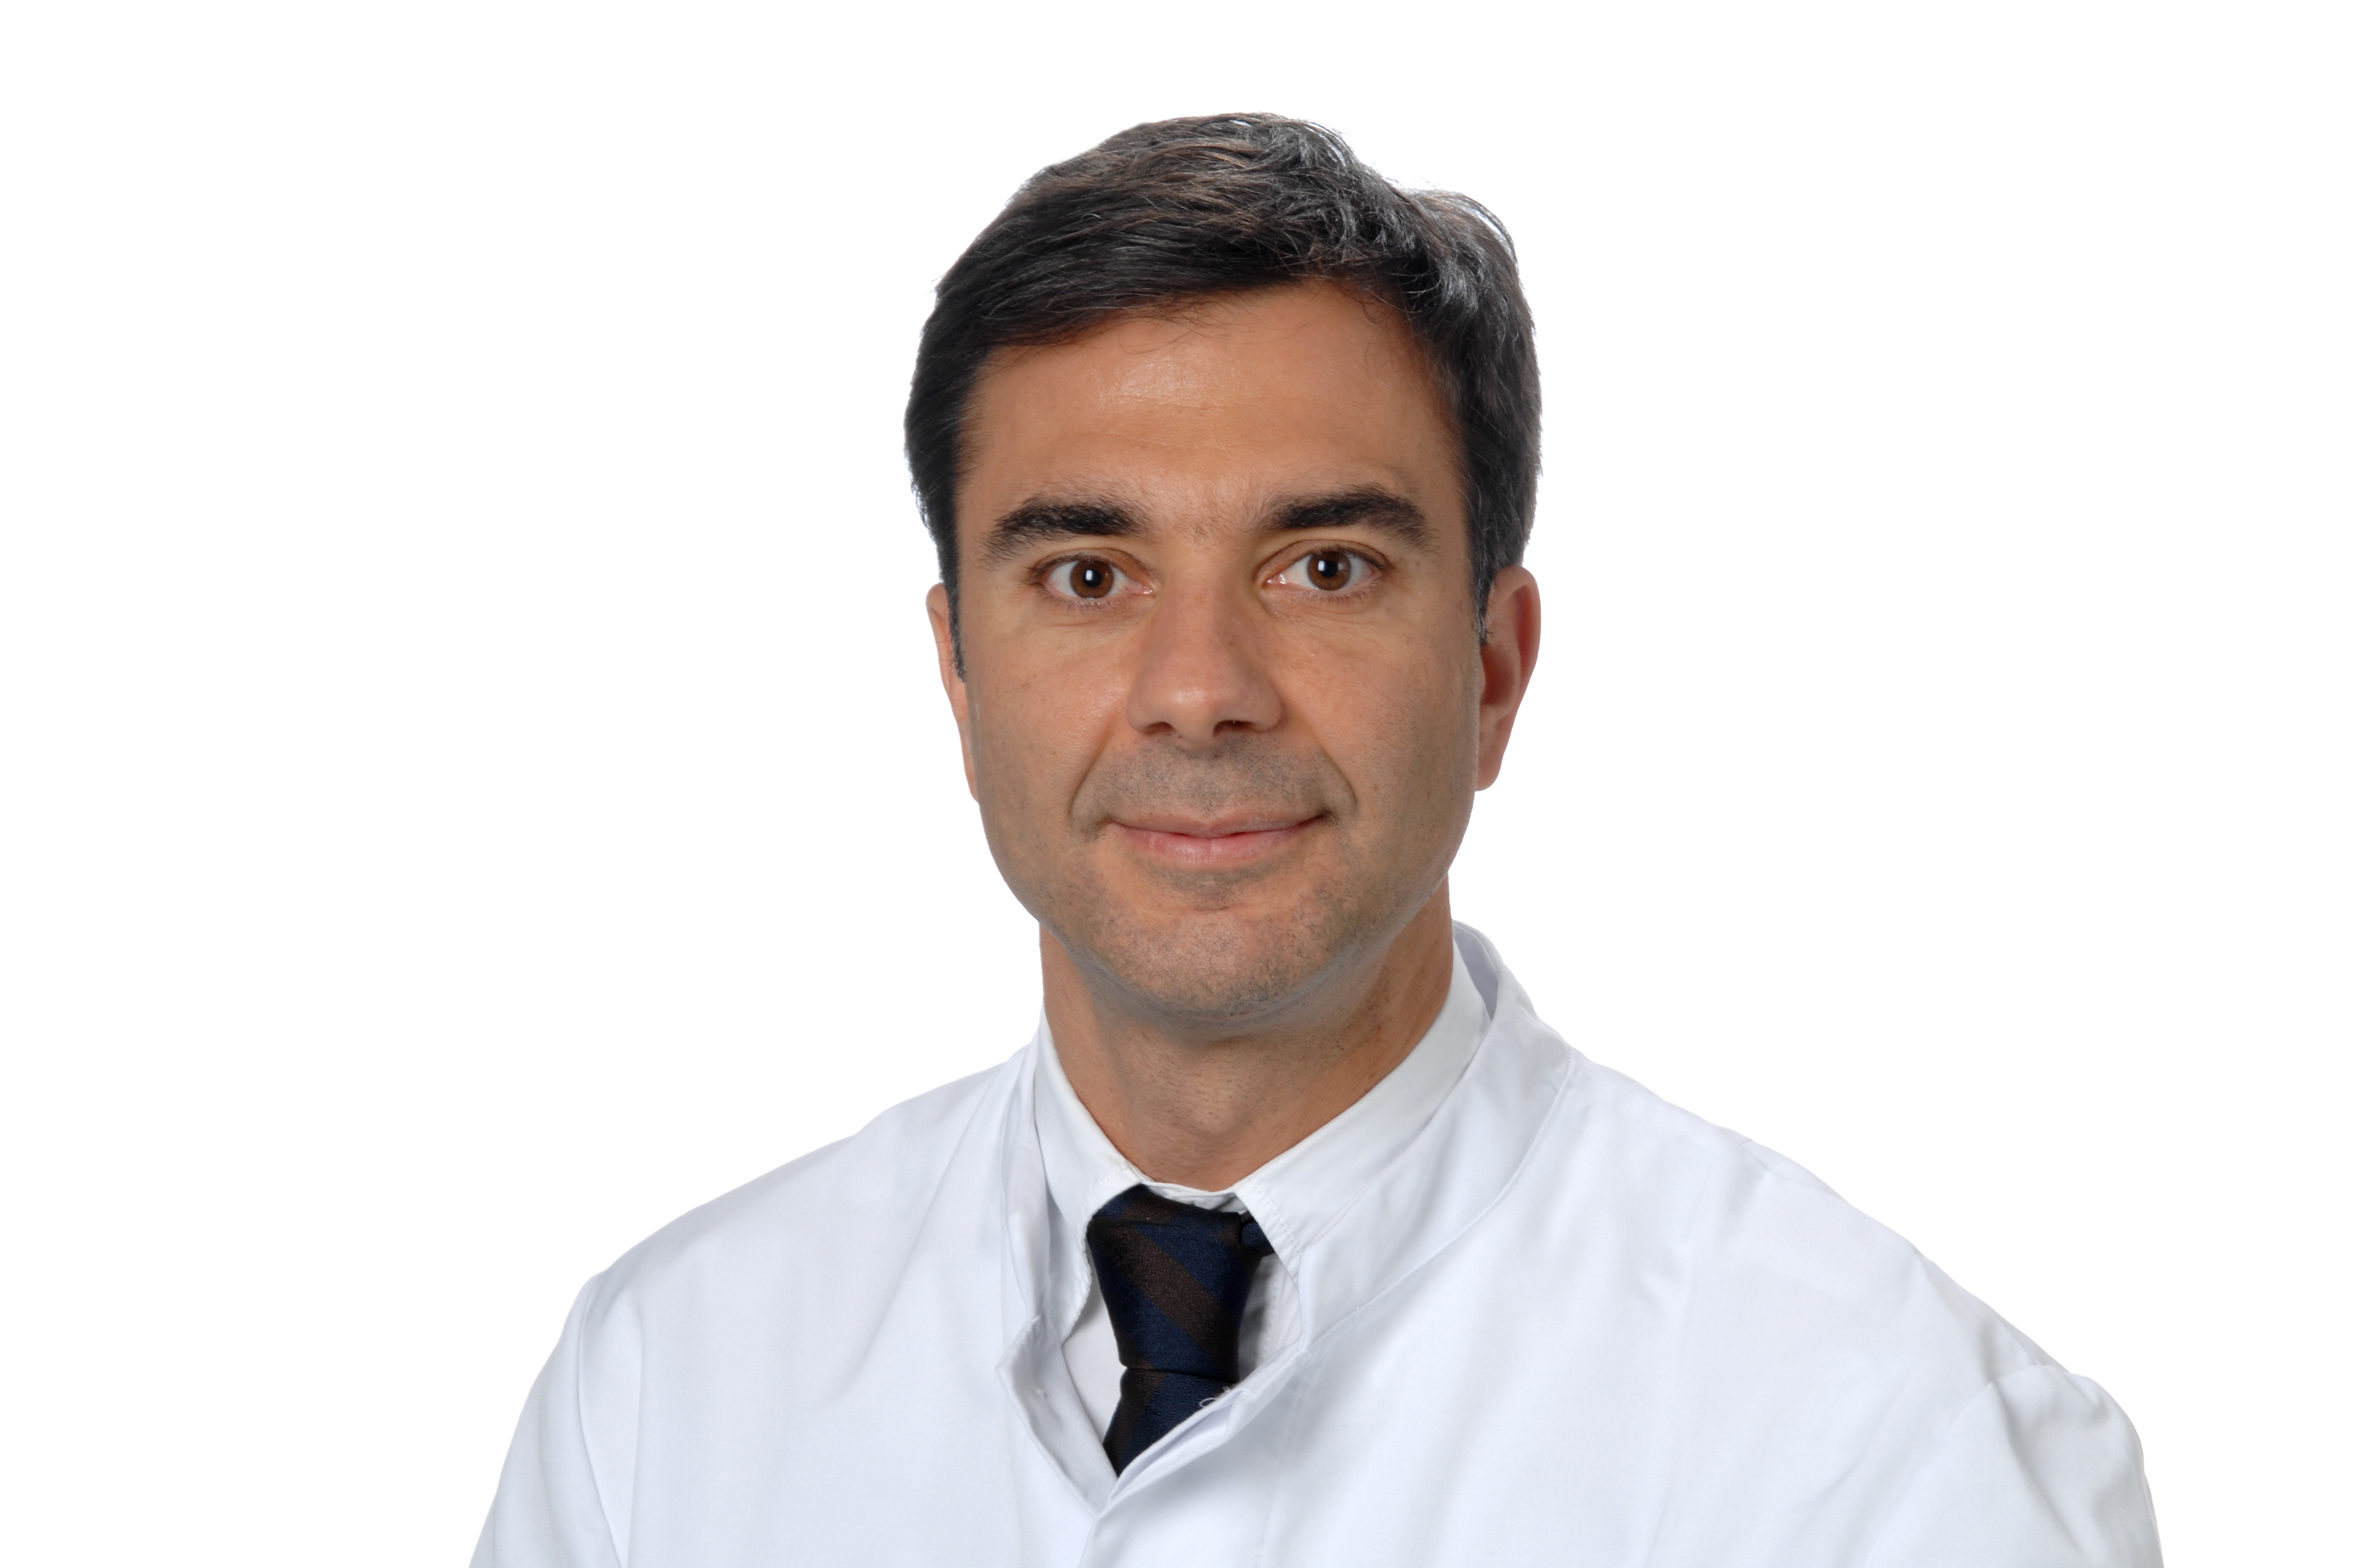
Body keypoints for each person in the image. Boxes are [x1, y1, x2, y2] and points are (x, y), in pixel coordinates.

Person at [472, 113, 2162, 1567]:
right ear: (960, 676)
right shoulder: (665, 1387)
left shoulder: (1888, 1440)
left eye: (1324, 568)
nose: (1199, 693)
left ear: (1491, 671)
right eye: (1087, 574)